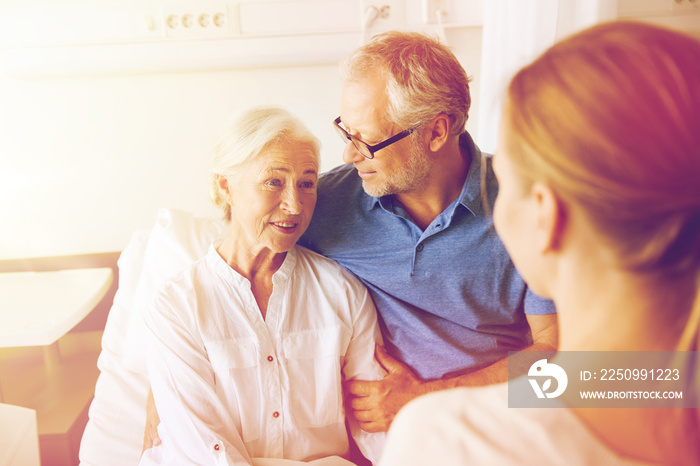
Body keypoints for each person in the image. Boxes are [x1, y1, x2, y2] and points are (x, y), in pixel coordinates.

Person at [379, 21, 700, 465]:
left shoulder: (449, 439)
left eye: (504, 182)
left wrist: (431, 397)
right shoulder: (660, 384)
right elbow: (621, 380)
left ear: (547, 216)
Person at [298, 30, 558, 433]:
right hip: (383, 438)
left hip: (499, 421)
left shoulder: (521, 205)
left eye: (366, 140)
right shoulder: (327, 202)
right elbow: (234, 259)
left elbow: (559, 353)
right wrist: (164, 382)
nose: (349, 155)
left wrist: (427, 398)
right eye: (345, 132)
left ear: (437, 132)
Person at [139, 107, 386, 465]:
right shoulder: (177, 306)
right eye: (274, 181)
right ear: (226, 187)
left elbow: (377, 432)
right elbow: (207, 455)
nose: (294, 204)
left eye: (306, 183)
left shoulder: (343, 292)